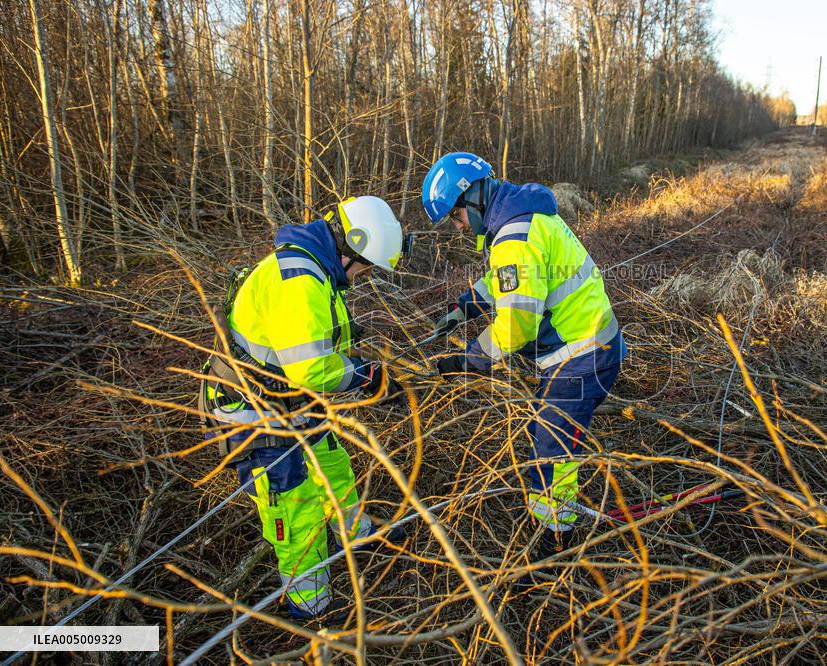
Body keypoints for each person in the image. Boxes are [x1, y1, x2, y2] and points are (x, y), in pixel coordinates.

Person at [200, 196, 407, 620]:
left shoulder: (313, 266)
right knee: (296, 506)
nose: (364, 277)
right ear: (351, 247)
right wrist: (368, 377)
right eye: (366, 267)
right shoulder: (300, 278)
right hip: (255, 411)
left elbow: (310, 339)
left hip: (288, 399)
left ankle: (355, 537)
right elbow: (312, 368)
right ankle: (310, 604)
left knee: (332, 465)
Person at [422, 153, 625, 561]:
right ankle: (552, 519)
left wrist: (469, 359)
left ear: (474, 197)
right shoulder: (521, 218)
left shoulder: (514, 238)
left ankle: (555, 539)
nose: (458, 227)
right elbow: (509, 280)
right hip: (586, 347)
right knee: (545, 433)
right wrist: (467, 306)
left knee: (552, 452)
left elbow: (517, 325)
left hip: (582, 356)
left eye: (457, 215)